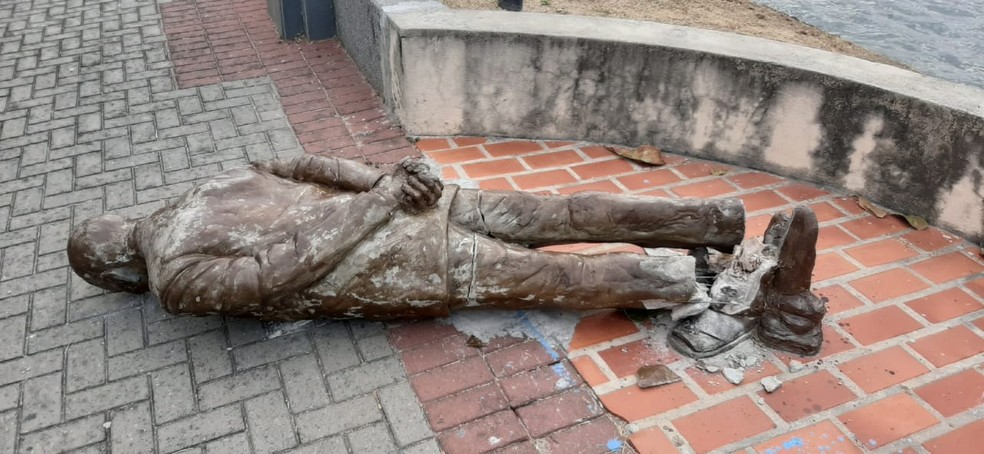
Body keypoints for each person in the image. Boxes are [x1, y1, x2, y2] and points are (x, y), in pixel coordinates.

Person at [67, 154, 821, 356]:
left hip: (394, 260)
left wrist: (382, 197)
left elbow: (277, 273)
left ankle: (720, 284)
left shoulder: (172, 279)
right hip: (419, 208)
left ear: (118, 274)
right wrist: (388, 181)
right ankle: (716, 222)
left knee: (565, 276)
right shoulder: (207, 183)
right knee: (566, 214)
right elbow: (304, 164)